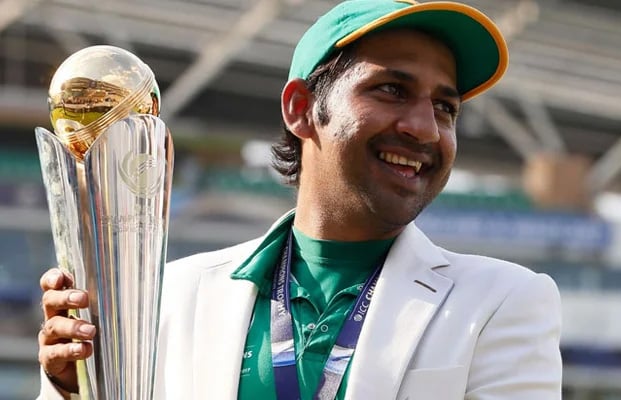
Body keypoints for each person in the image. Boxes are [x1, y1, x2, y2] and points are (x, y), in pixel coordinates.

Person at [37, 0, 563, 399]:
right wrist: (76, 387)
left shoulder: (501, 302)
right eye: (391, 90)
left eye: (446, 107)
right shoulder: (169, 296)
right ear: (301, 108)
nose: (424, 128)